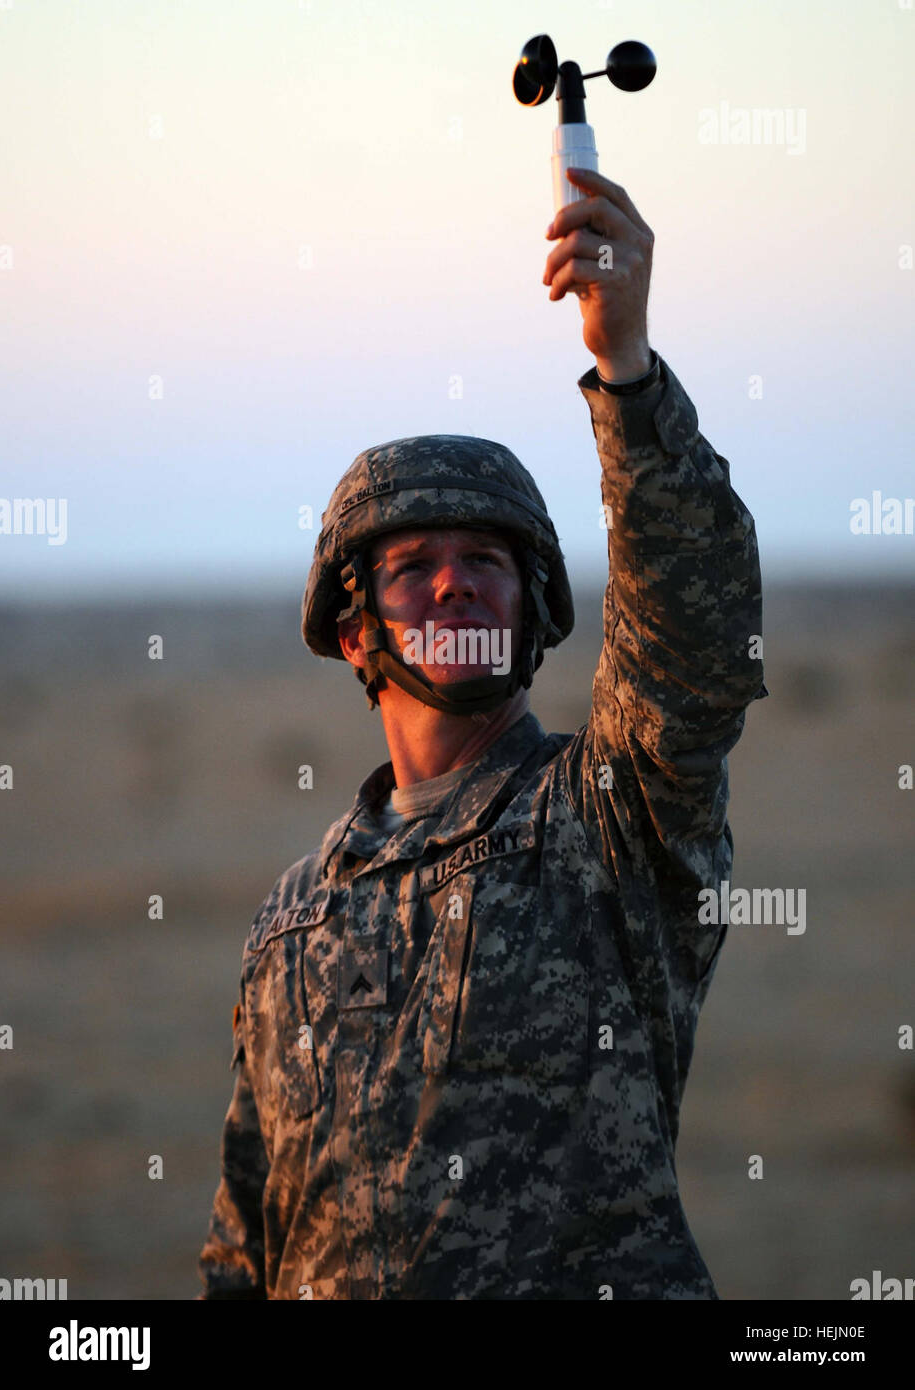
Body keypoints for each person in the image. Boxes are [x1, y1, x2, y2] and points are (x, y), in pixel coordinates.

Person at [197, 167, 766, 1299]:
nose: (454, 587)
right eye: (412, 569)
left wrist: (627, 367)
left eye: (487, 563)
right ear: (355, 634)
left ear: (533, 607)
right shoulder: (288, 925)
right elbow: (242, 1246)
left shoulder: (607, 817)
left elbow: (689, 653)